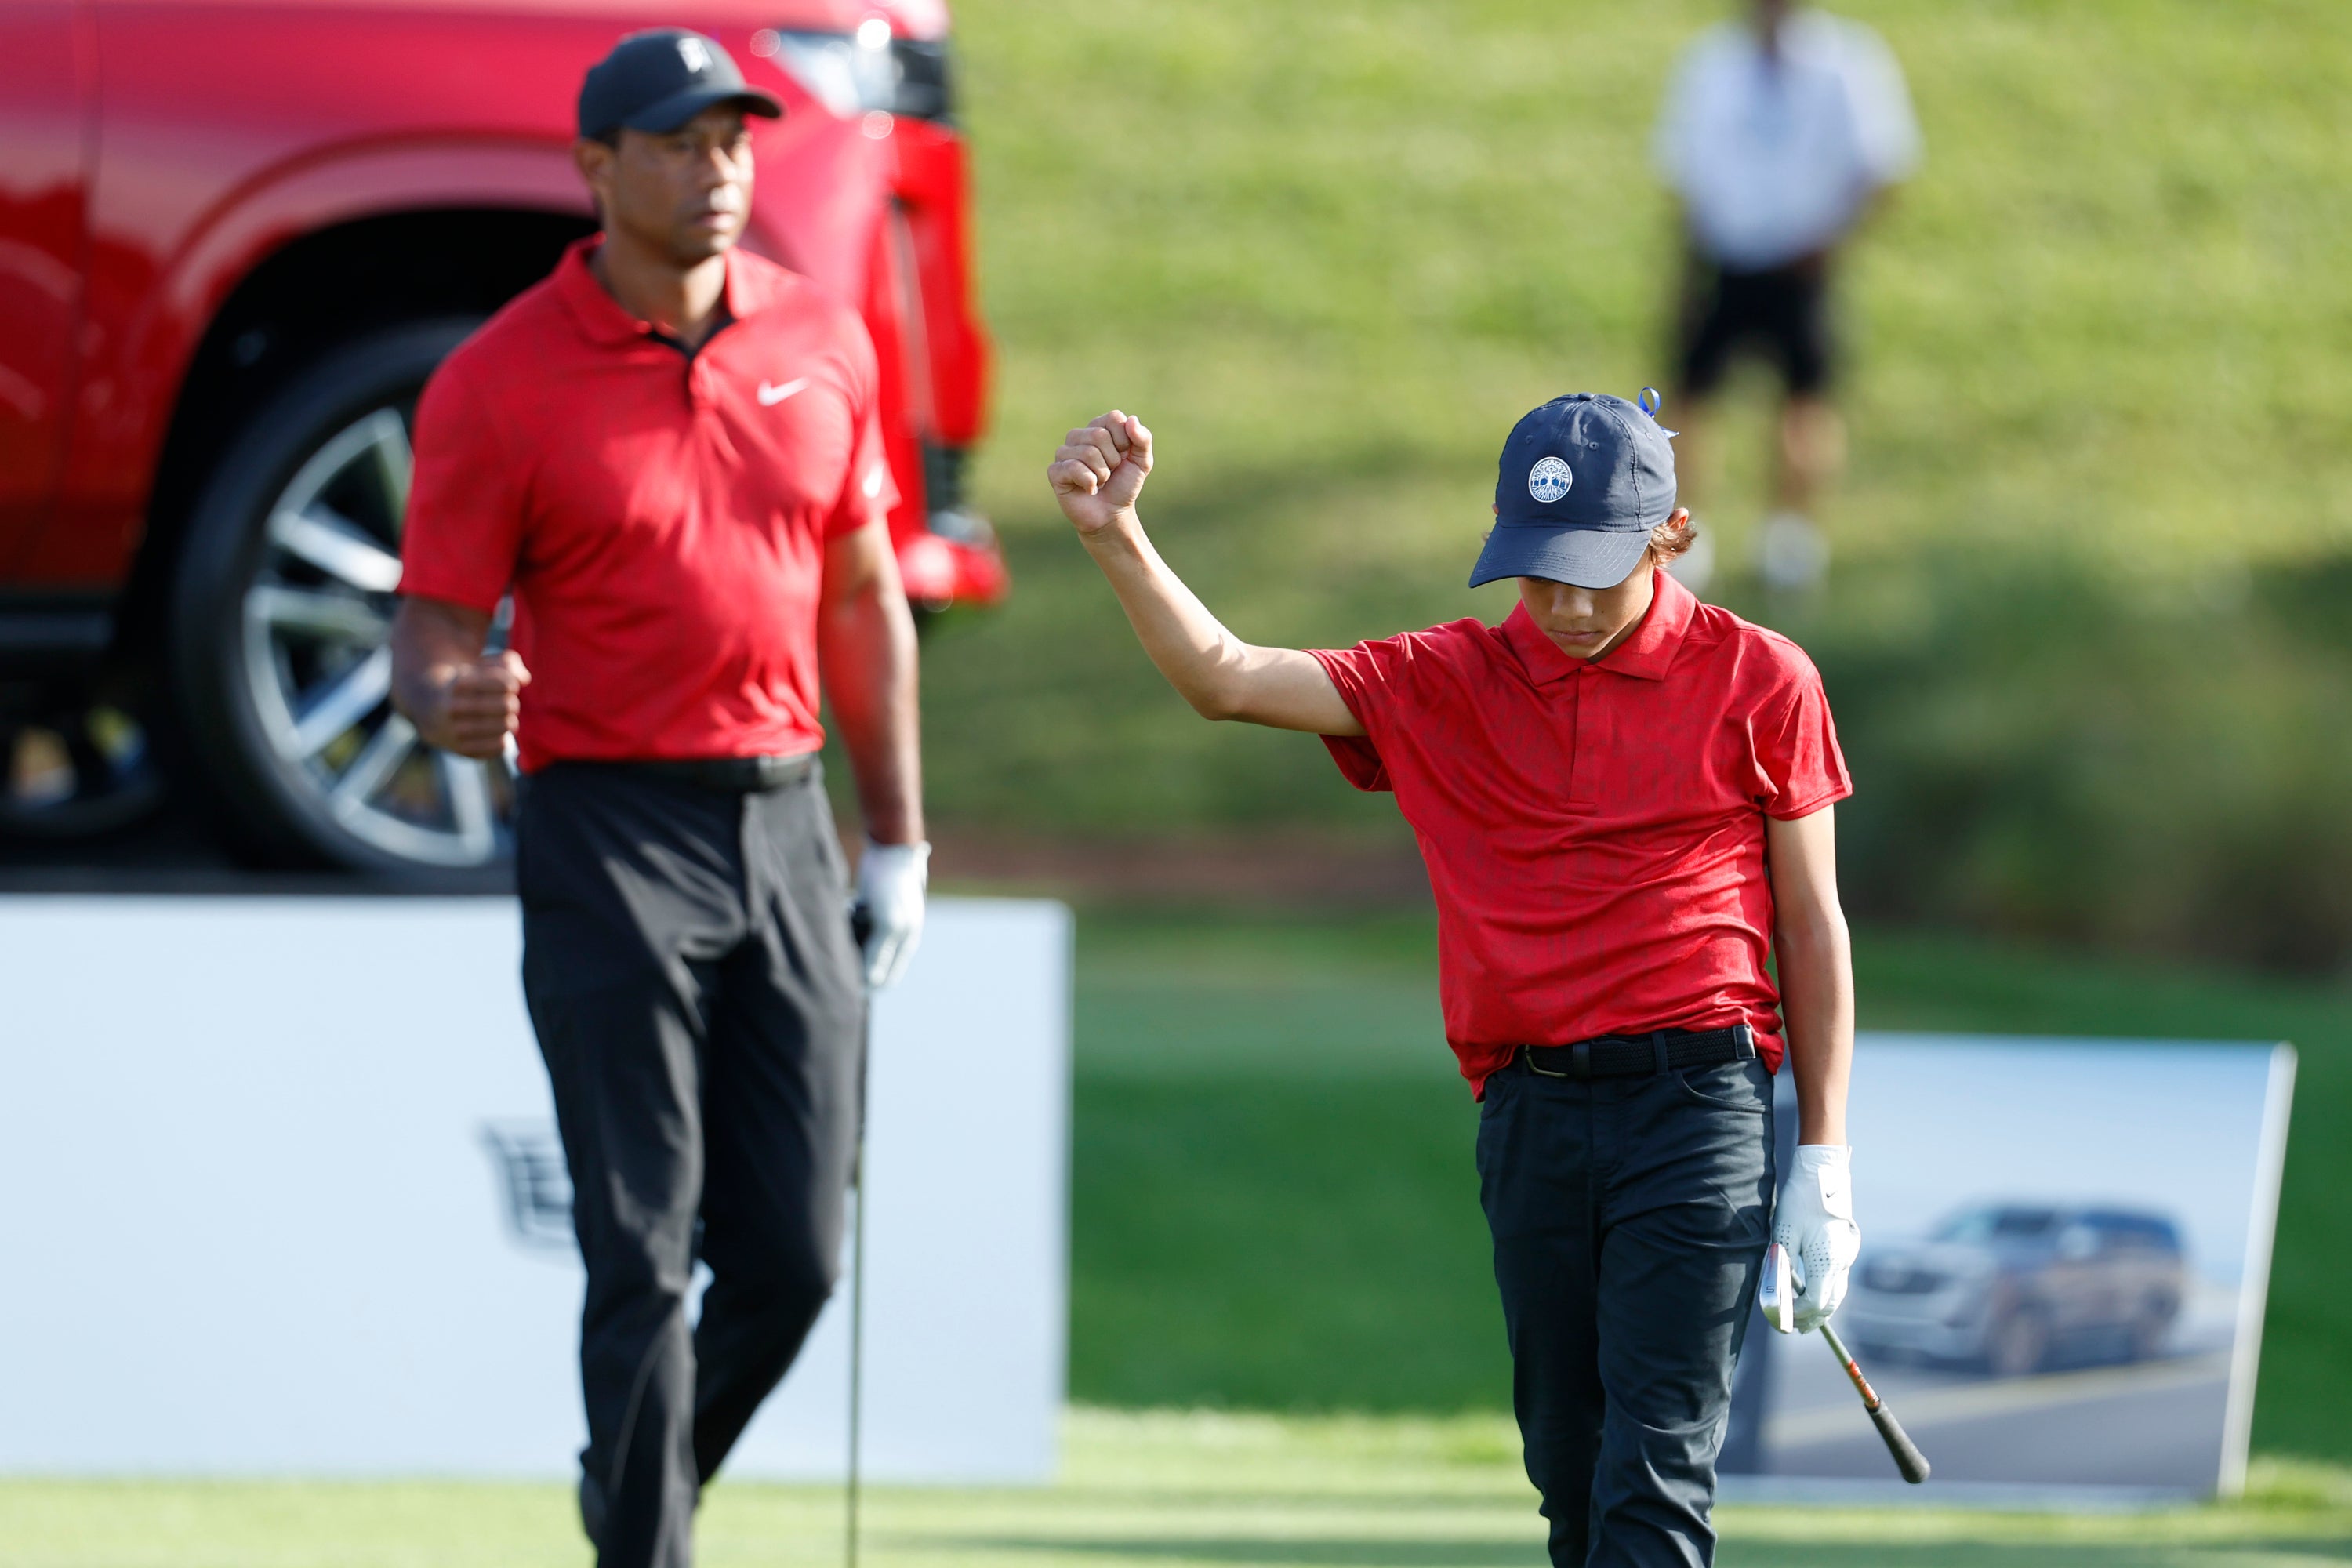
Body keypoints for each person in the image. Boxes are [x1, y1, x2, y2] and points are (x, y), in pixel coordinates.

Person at [1048, 397, 1860, 1566]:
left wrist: (1823, 1161)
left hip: (1699, 1107)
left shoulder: (1760, 678)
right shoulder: (1447, 679)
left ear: (1668, 533)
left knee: (1656, 1466)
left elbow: (1814, 925)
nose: (1568, 606)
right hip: (1530, 1111)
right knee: (1571, 1478)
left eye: (1596, 570)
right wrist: (1113, 536)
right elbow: (1226, 677)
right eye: (1541, 578)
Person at [388, 30, 927, 1568]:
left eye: (735, 144)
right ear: (597, 168)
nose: (719, 172)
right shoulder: (498, 381)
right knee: (638, 1247)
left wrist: (896, 839)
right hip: (606, 826)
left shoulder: (822, 339)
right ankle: (647, 1547)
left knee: (799, 1256)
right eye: (682, 145)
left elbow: (866, 596)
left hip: (783, 817)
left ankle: (639, 1481)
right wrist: (448, 698)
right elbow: (429, 627)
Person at [1653, 0, 1919, 592]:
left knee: (1806, 402)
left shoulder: (1848, 61)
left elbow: (1880, 164)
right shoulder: (1712, 61)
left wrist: (1828, 239)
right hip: (1722, 254)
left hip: (1803, 260)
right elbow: (1683, 163)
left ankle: (1791, 540)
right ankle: (1685, 533)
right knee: (1689, 400)